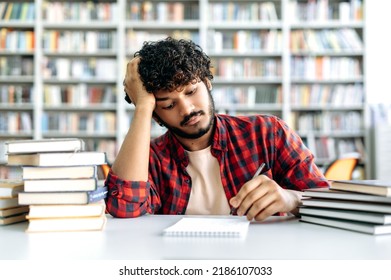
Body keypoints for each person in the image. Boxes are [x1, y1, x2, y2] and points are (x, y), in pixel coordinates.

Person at [105, 37, 329, 221]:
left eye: (191, 91)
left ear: (207, 82)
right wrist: (143, 106)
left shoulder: (267, 132)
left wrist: (291, 199)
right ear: (156, 115)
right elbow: (125, 208)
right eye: (168, 105)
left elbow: (328, 203)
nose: (187, 109)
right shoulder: (149, 159)